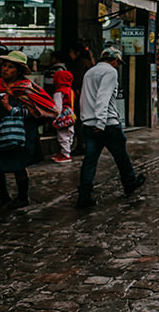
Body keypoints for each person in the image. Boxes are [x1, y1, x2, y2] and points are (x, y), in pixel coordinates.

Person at [0, 51, 57, 210]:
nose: (5, 69)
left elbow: (40, 112)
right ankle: (3, 196)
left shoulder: (28, 89)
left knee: (18, 166)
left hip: (20, 135)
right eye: (4, 66)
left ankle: (22, 198)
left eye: (10, 67)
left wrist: (13, 110)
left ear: (19, 70)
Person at [77, 45, 146, 209]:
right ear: (115, 60)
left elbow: (84, 98)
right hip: (106, 124)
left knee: (90, 161)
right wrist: (100, 122)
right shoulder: (110, 72)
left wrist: (86, 119)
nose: (117, 66)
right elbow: (103, 97)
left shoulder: (90, 72)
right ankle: (130, 182)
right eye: (118, 63)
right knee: (121, 156)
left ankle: (84, 195)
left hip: (89, 123)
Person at [50, 68, 76, 163]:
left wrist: (57, 118)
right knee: (69, 134)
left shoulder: (59, 92)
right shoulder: (70, 90)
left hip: (63, 115)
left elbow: (58, 107)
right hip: (70, 114)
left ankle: (66, 154)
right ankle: (66, 151)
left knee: (62, 135)